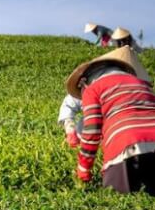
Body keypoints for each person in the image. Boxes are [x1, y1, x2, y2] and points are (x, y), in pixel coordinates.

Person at [65, 46, 155, 193]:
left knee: (117, 195)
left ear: (84, 82)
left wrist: (83, 171)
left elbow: (92, 130)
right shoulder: (141, 83)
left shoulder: (93, 88)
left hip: (126, 142)